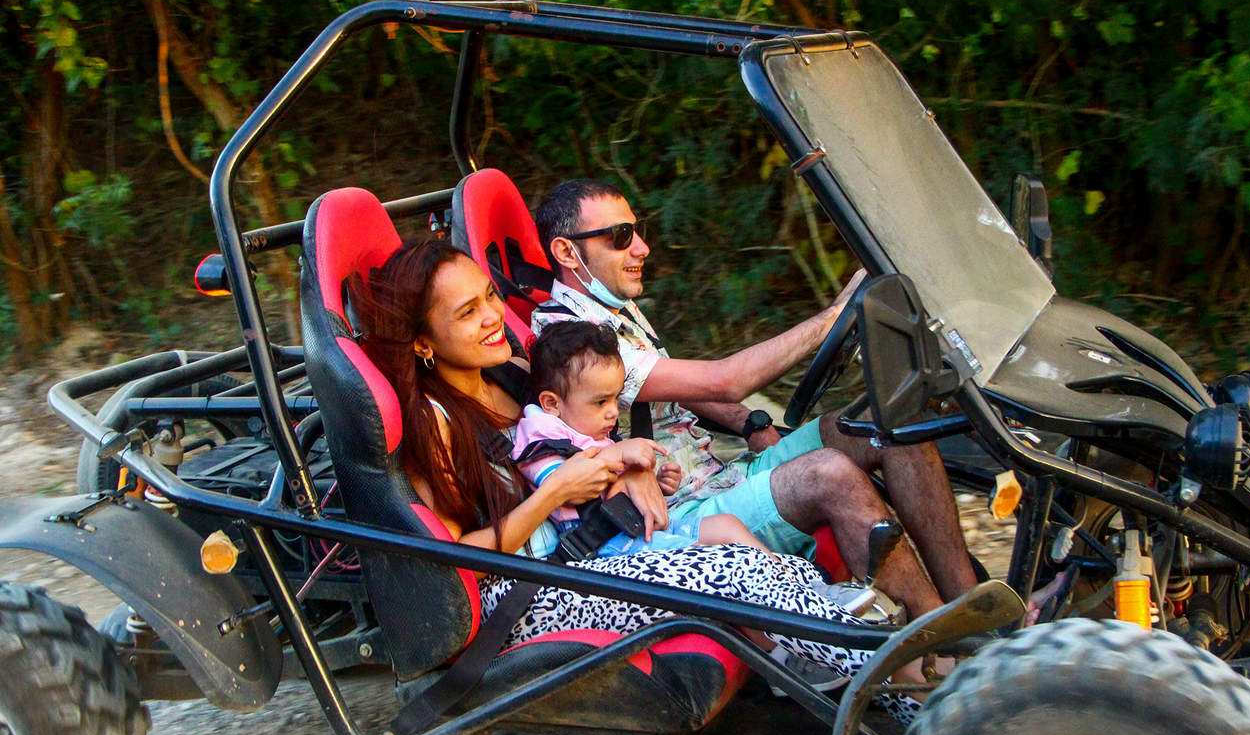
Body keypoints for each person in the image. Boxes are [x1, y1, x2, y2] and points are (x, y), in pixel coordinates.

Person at [349, 236, 916, 708]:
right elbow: (447, 561)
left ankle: (882, 664)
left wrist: (629, 468)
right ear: (423, 342)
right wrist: (553, 494)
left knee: (742, 551)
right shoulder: (437, 422)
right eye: (466, 313)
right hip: (524, 593)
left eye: (490, 296)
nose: (494, 317)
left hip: (584, 553)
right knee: (734, 570)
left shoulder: (513, 373)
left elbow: (584, 438)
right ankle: (897, 680)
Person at [532, 179, 978, 619]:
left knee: (891, 423)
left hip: (721, 476)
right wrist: (834, 315)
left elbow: (675, 384)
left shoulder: (614, 309)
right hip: (680, 516)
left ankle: (971, 604)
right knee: (830, 473)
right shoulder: (571, 342)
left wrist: (750, 423)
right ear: (567, 252)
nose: (642, 247)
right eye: (620, 236)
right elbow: (723, 382)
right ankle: (942, 636)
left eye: (638, 230)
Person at [514, 319, 773, 557]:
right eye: (601, 402)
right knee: (710, 555)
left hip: (632, 530)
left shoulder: (588, 430)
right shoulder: (542, 437)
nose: (613, 412)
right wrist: (616, 454)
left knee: (727, 525)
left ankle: (784, 580)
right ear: (552, 403)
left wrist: (656, 485)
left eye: (616, 398)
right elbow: (566, 490)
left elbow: (618, 488)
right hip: (603, 545)